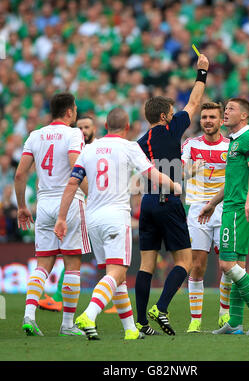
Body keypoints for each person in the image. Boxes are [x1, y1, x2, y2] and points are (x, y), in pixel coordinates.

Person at [54, 107, 182, 340]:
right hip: (116, 217)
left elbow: (72, 184)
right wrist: (175, 186)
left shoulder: (89, 149)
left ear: (104, 127)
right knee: (117, 272)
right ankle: (89, 314)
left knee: (116, 276)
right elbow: (153, 174)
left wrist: (61, 218)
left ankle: (130, 329)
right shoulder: (129, 147)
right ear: (127, 127)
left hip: (93, 219)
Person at [134, 53, 209, 336]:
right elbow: (194, 102)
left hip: (148, 203)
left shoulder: (141, 142)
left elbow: (149, 172)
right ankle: (160, 308)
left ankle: (141, 324)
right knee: (184, 262)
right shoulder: (171, 128)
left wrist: (184, 174)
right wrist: (201, 72)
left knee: (146, 265)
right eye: (171, 109)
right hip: (169, 201)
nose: (175, 111)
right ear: (165, 116)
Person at [15, 92, 91, 337]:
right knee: (72, 266)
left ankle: (29, 315)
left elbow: (19, 175)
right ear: (69, 112)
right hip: (68, 204)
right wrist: (95, 197)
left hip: (43, 203)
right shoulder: (73, 134)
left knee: (42, 265)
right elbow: (75, 166)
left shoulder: (35, 136)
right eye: (76, 110)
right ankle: (67, 325)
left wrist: (22, 206)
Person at [199, 97, 249, 335]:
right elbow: (234, 180)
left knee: (226, 264)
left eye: (230, 109)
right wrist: (212, 204)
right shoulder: (235, 142)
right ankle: (236, 322)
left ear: (243, 116)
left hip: (239, 208)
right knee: (238, 265)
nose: (225, 112)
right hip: (233, 205)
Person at [38, 115, 97, 312]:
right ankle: (58, 297)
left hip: (95, 205)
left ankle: (115, 297)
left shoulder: (97, 149)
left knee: (100, 252)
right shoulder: (73, 146)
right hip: (78, 205)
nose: (83, 131)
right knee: (73, 254)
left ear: (94, 129)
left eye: (87, 127)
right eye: (80, 127)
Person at [181, 102, 232, 333]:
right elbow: (180, 171)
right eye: (204, 117)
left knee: (228, 266)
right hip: (198, 210)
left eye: (212, 117)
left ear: (222, 121)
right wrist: (191, 170)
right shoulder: (191, 144)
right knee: (198, 265)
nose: (208, 121)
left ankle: (224, 313)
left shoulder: (231, 146)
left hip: (223, 209)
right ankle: (195, 319)